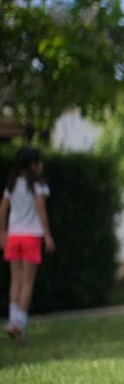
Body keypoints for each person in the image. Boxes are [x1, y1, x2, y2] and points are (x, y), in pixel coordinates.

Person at [0, 146, 55, 342]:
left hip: (13, 236)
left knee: (15, 281)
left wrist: (2, 232)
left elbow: (3, 207)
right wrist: (47, 235)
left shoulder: (12, 184)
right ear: (33, 165)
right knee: (27, 283)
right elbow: (41, 209)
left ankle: (12, 320)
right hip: (31, 237)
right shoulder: (38, 186)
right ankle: (20, 324)